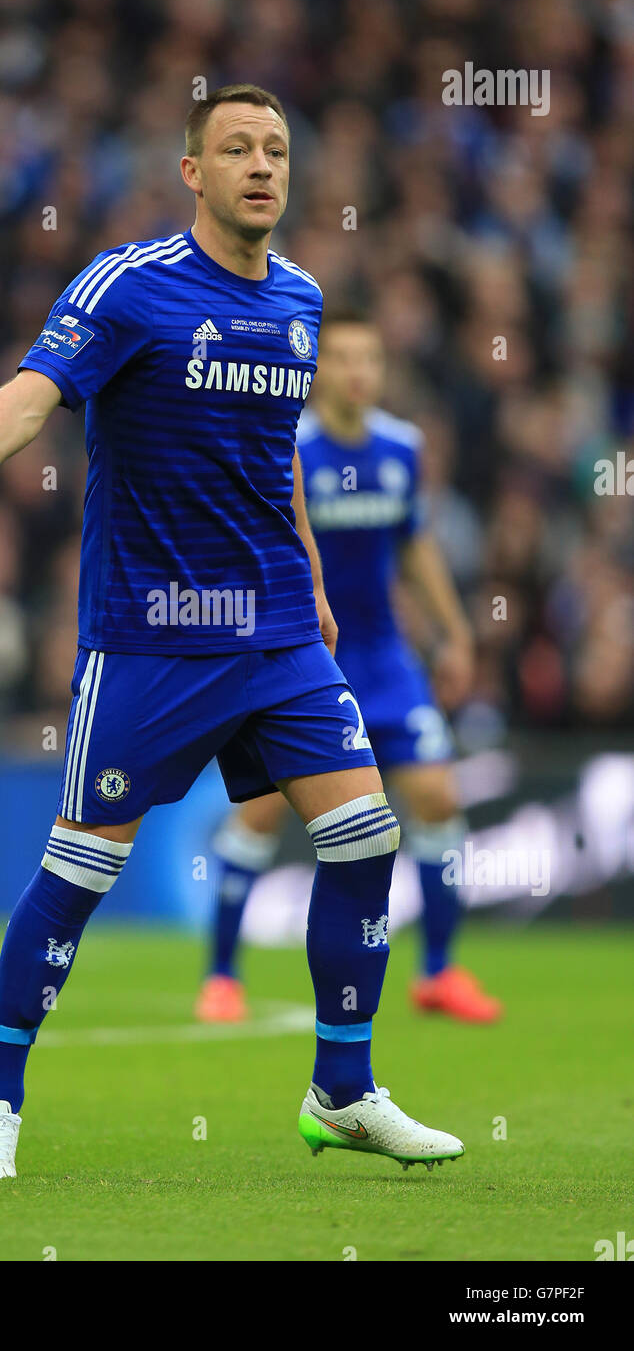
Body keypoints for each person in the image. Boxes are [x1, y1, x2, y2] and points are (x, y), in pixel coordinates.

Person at [0, 85, 464, 1178]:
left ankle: (341, 1085)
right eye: (235, 148)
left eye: (276, 148)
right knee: (79, 870)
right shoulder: (129, 287)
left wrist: (313, 583)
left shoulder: (303, 302)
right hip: (152, 634)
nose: (260, 165)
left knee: (365, 838)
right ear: (192, 171)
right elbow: (34, 394)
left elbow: (275, 459)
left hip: (277, 630)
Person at [197, 310, 502, 1027]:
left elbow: (416, 545)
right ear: (318, 370)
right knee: (262, 811)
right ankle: (220, 976)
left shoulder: (403, 447)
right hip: (304, 657)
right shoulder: (289, 447)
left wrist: (455, 634)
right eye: (343, 359)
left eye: (371, 359)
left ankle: (439, 971)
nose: (359, 372)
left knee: (437, 798)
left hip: (388, 660)